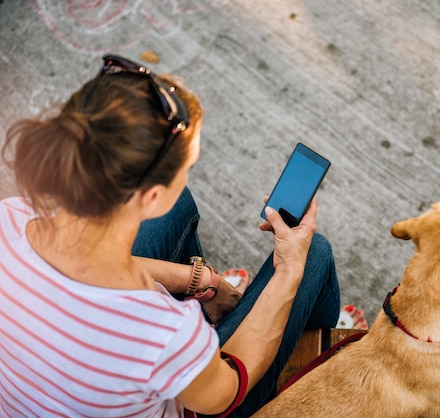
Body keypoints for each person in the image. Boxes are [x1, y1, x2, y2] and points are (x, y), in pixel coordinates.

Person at [0, 55, 340, 417]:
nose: (186, 176)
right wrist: (289, 269)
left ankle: (217, 317)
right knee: (313, 253)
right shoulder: (161, 333)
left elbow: (90, 266)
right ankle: (310, 348)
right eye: (186, 168)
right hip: (205, 397)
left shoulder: (10, 216)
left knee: (179, 206)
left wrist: (198, 279)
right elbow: (227, 392)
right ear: (149, 196)